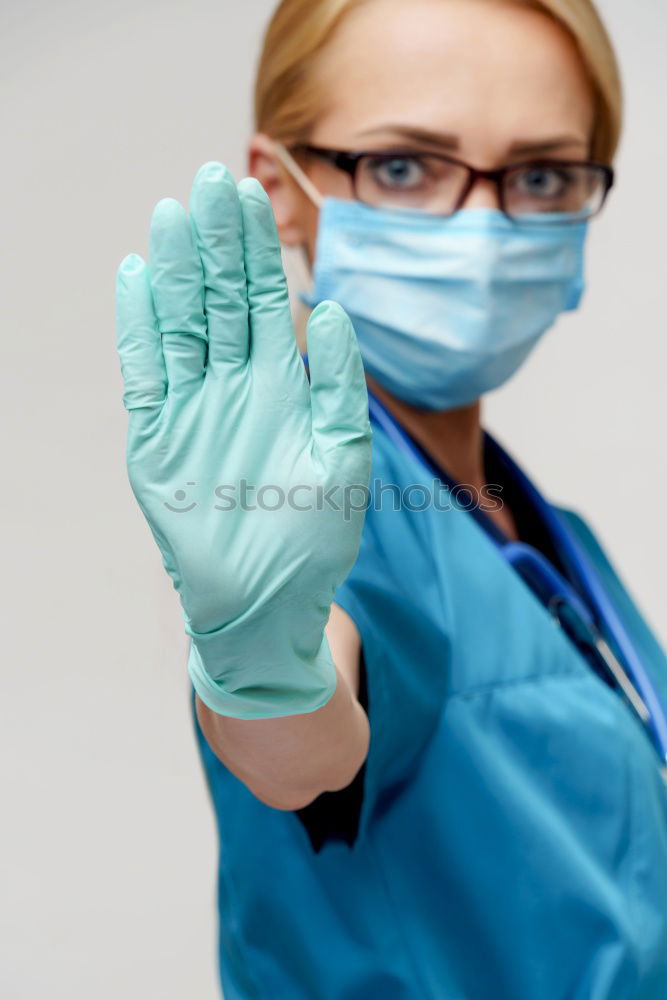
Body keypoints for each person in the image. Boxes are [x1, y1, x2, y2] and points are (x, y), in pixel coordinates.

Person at [114, 0, 667, 996]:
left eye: (539, 175)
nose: (486, 226)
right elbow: (296, 750)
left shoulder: (536, 528)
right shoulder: (328, 509)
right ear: (281, 190)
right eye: (405, 167)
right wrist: (264, 662)